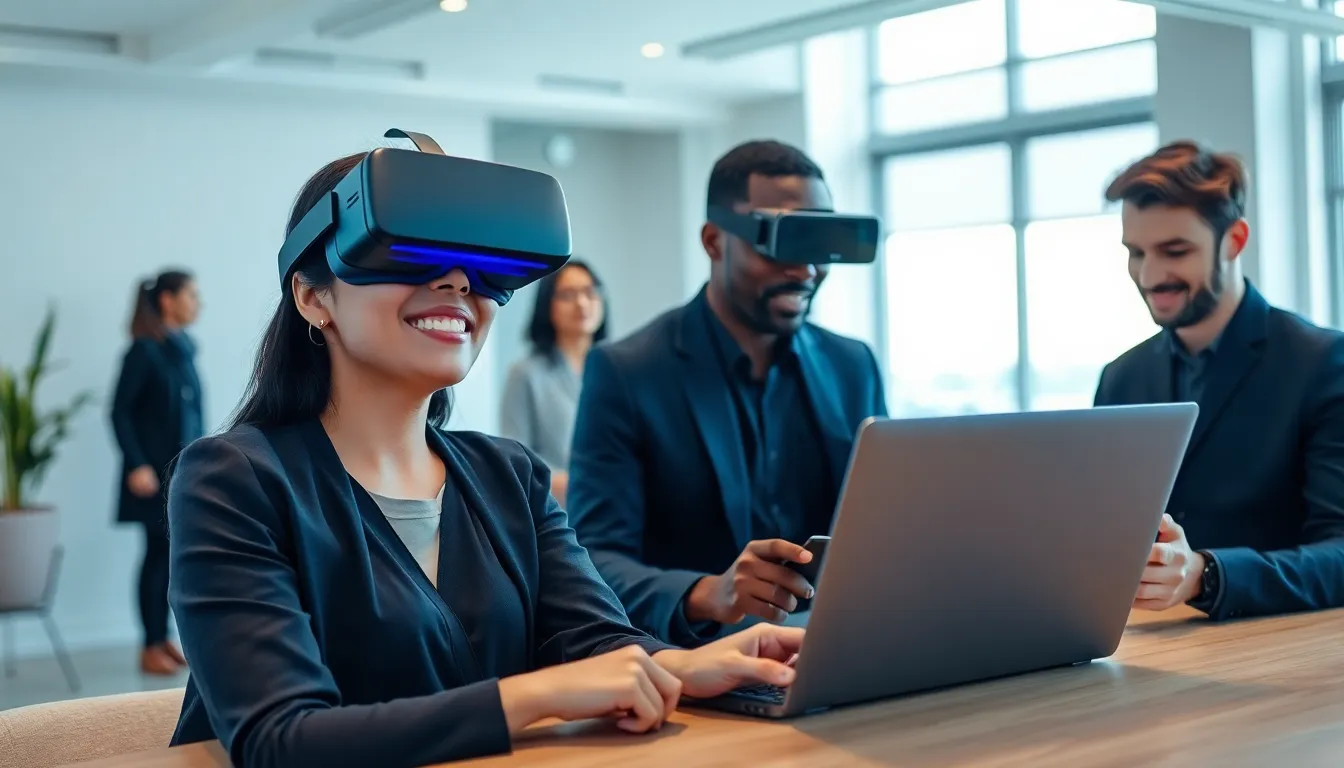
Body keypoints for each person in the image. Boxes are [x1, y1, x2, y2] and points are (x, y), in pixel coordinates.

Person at [165, 152, 806, 768]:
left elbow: (597, 640)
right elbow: (280, 741)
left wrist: (689, 664)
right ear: (313, 297)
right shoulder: (232, 481)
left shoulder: (510, 476)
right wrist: (536, 695)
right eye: (408, 251)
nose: (457, 283)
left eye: (478, 266)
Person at [566, 140, 888, 647]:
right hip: (702, 664)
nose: (804, 269)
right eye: (781, 241)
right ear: (715, 241)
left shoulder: (852, 366)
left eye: (816, 242)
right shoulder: (629, 371)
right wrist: (707, 592)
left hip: (838, 647)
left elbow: (885, 524)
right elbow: (593, 559)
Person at [1095, 140, 1344, 621]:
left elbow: (1339, 554)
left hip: (1277, 657)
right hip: (1144, 649)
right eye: (1136, 252)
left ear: (1234, 240)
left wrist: (1204, 574)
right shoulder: (1121, 379)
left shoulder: (1323, 363)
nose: (1149, 275)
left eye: (1175, 251)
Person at [109, 269, 203, 676]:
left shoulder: (182, 349)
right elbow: (119, 412)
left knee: (169, 559)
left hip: (180, 473)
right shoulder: (144, 351)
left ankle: (162, 637)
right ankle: (148, 645)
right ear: (167, 299)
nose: (198, 303)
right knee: (155, 558)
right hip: (151, 477)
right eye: (191, 295)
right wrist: (137, 464)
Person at [499, 260, 608, 504]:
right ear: (547, 304)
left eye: (589, 292)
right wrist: (586, 483)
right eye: (567, 295)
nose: (581, 303)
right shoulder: (525, 374)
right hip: (556, 516)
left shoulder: (617, 371)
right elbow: (516, 462)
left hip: (615, 516)